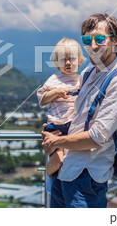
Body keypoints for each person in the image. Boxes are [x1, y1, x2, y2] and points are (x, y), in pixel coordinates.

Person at [41, 13, 117, 208]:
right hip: (66, 171)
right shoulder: (87, 74)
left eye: (100, 39)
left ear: (116, 41)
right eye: (87, 40)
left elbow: (98, 136)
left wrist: (56, 141)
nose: (93, 46)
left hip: (88, 177)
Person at [37, 38, 84, 177]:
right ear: (57, 63)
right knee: (59, 158)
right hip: (56, 127)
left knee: (73, 159)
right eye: (64, 59)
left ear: (80, 61)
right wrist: (55, 92)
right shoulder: (54, 79)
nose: (68, 63)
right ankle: (50, 177)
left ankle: (59, 179)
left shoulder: (82, 80)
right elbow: (42, 100)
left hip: (73, 127)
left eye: (72, 59)